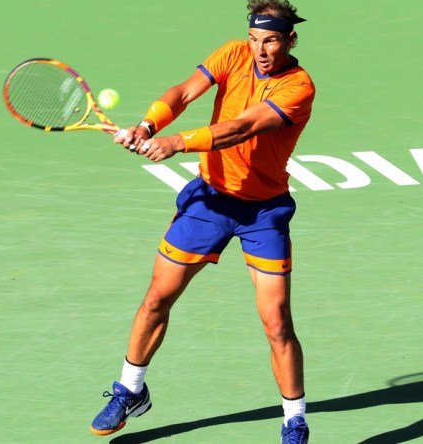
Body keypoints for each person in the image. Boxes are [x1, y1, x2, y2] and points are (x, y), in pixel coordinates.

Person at [89, 1, 315, 443]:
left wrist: (177, 142)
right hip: (208, 201)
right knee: (157, 298)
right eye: (254, 39)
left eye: (270, 40)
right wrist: (148, 125)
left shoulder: (299, 87)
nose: (260, 50)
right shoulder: (233, 54)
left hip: (263, 212)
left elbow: (243, 127)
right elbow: (184, 92)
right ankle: (130, 390)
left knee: (276, 322)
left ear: (290, 39)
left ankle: (295, 420)